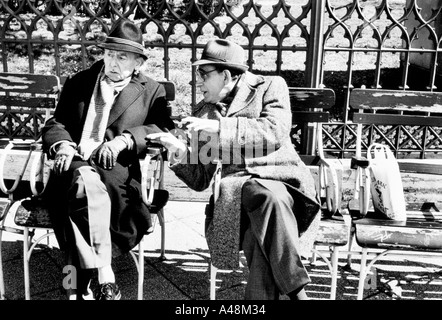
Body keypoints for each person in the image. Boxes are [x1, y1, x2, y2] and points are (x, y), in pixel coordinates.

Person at [146, 39, 321, 300]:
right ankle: (297, 291)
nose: (198, 82)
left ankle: (293, 292)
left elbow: (273, 131)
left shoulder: (270, 86)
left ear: (226, 75)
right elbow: (201, 179)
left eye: (203, 74)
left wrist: (220, 128)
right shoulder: (204, 112)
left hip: (287, 188)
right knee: (257, 210)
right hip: (241, 201)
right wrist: (179, 151)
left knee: (261, 202)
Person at [39, 19, 174, 300]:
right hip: (73, 163)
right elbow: (56, 122)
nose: (112, 62)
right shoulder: (80, 82)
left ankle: (74, 287)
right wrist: (63, 146)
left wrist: (125, 139)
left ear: (138, 62)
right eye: (109, 54)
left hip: (114, 173)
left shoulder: (151, 90)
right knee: (83, 178)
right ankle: (105, 273)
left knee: (81, 200)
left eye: (121, 56)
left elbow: (161, 127)